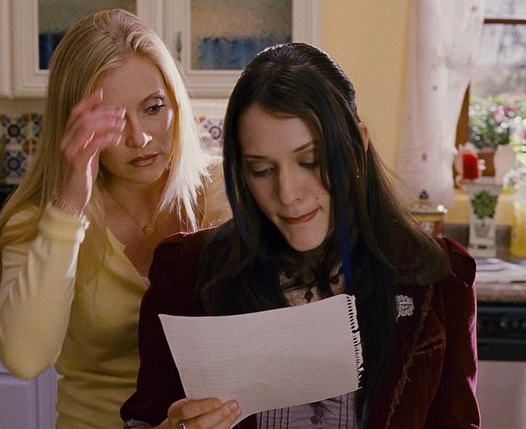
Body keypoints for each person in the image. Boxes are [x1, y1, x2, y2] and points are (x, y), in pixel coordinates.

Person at [121, 42, 480, 428]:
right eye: (261, 170)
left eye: (311, 161)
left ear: (357, 145)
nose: (288, 194)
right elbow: (143, 420)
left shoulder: (442, 278)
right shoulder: (184, 271)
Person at [0, 9, 230, 428]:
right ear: (72, 125)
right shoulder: (37, 223)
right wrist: (69, 207)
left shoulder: (228, 192)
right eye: (112, 120)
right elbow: (25, 359)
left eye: (153, 108)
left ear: (175, 101)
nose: (140, 137)